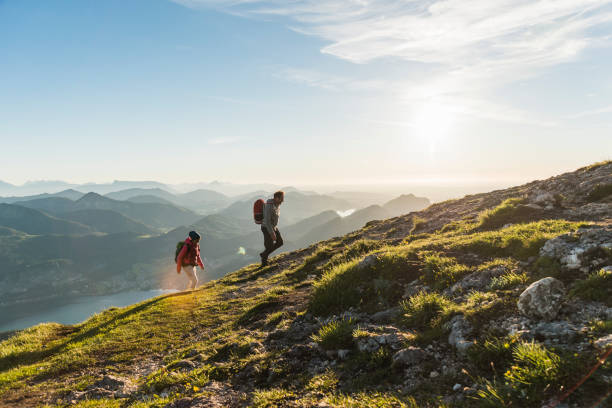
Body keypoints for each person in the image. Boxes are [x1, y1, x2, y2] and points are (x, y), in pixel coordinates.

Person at [260, 190, 284, 266]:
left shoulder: (276, 204)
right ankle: (264, 264)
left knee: (280, 242)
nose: (283, 200)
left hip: (273, 227)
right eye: (281, 198)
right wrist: (272, 233)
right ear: (276, 198)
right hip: (266, 228)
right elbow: (267, 221)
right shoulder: (269, 206)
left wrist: (274, 229)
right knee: (269, 246)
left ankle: (264, 254)